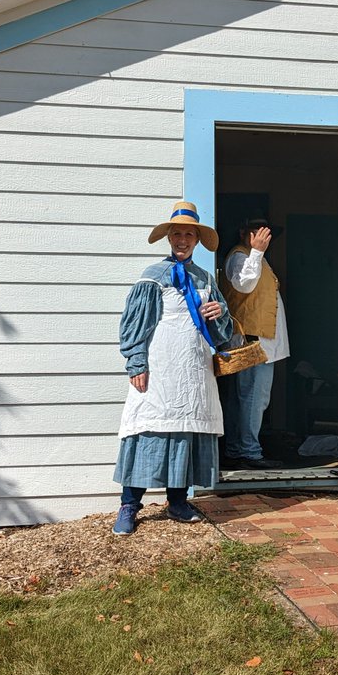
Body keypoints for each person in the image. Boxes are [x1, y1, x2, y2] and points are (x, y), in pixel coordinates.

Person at [113, 200, 232, 536]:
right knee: (147, 429)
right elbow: (135, 325)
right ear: (169, 238)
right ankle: (129, 504)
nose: (182, 240)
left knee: (185, 431)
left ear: (196, 240)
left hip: (194, 369)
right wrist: (137, 361)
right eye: (177, 234)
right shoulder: (153, 277)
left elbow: (223, 336)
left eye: (188, 235)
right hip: (160, 368)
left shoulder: (206, 279)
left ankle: (177, 501)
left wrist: (219, 315)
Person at [218, 217, 290, 469]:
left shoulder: (255, 256)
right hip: (252, 340)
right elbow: (243, 284)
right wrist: (257, 251)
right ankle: (248, 451)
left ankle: (239, 448)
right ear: (243, 232)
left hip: (261, 340)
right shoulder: (241, 256)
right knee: (252, 397)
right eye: (255, 232)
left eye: (265, 233)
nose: (261, 237)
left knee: (248, 397)